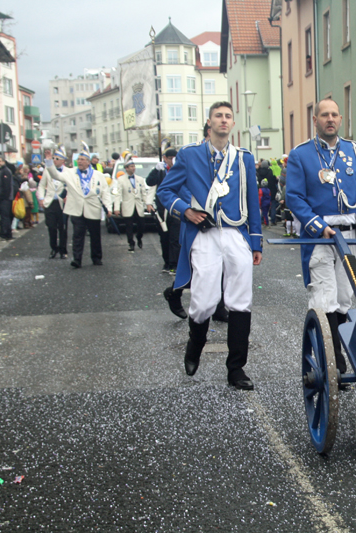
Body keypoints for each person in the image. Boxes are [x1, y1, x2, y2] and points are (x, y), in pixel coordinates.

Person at [158, 101, 263, 391]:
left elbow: (252, 203)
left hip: (235, 234)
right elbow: (165, 191)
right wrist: (185, 211)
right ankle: (195, 346)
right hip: (204, 234)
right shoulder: (190, 155)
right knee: (203, 301)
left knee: (240, 302)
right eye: (219, 116)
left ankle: (236, 368)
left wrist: (256, 242)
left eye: (229, 116)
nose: (224, 120)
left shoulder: (243, 158)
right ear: (209, 122)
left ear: (233, 123)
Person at [285, 97, 356, 379]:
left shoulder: (355, 151)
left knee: (347, 296)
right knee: (324, 297)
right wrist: (317, 225)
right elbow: (294, 197)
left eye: (334, 114)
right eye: (324, 115)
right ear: (315, 120)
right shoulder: (301, 155)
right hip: (320, 237)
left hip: (350, 235)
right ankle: (334, 361)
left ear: (340, 118)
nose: (330, 119)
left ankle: (346, 355)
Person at [43, 142, 112, 269]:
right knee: (77, 236)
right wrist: (49, 162)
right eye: (78, 159)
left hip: (93, 208)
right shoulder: (70, 172)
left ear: (88, 162)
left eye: (82, 160)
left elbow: (105, 192)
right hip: (76, 209)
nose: (80, 162)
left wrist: (109, 208)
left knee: (95, 235)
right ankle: (77, 259)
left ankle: (96, 258)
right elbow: (55, 175)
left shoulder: (98, 175)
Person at [146, 146, 178, 272]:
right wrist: (155, 170)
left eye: (174, 158)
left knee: (175, 238)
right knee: (164, 237)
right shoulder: (160, 171)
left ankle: (174, 264)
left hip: (175, 208)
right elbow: (149, 182)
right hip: (162, 210)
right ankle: (167, 262)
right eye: (170, 158)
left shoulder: (179, 170)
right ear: (165, 158)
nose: (172, 160)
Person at [37, 147, 68, 259]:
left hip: (62, 203)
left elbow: (70, 186)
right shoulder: (47, 170)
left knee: (63, 228)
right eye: (53, 158)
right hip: (50, 202)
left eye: (57, 158)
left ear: (63, 161)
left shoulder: (68, 172)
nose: (54, 160)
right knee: (51, 227)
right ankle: (53, 248)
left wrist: (67, 195)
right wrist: (41, 198)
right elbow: (41, 185)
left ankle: (63, 250)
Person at [113, 155, 148, 253]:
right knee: (129, 227)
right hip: (128, 206)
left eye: (134, 166)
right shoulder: (121, 180)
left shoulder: (140, 179)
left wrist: (148, 204)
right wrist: (116, 208)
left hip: (138, 205)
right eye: (131, 166)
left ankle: (139, 237)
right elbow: (118, 194)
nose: (133, 168)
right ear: (126, 168)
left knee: (141, 225)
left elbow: (144, 193)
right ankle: (131, 243)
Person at [0, 156, 16, 241]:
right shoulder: (1, 171)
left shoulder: (5, 171)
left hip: (5, 199)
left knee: (4, 216)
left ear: (4, 162)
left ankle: (5, 233)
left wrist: (2, 197)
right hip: (4, 198)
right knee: (5, 216)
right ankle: (6, 233)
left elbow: (6, 186)